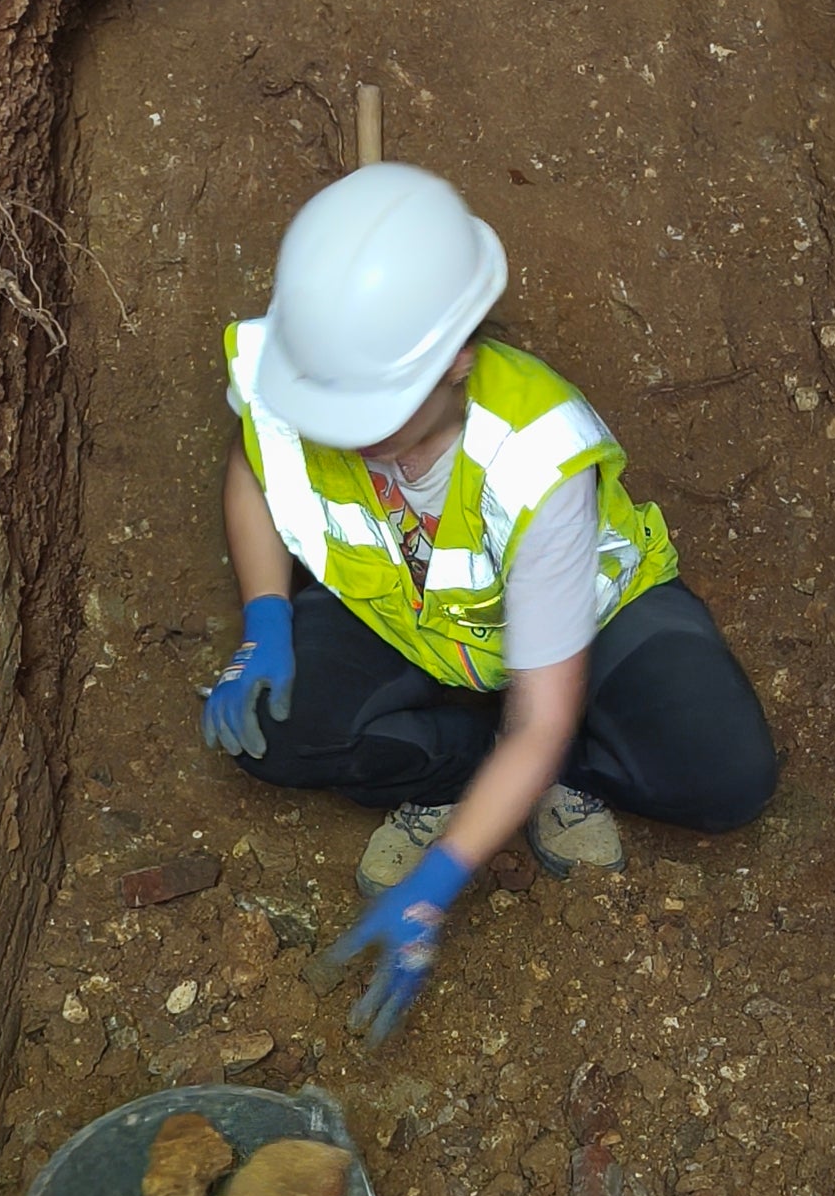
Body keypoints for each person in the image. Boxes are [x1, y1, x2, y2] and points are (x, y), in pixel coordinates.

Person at [201, 160, 778, 1039]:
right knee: (272, 728)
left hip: (590, 625)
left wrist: (441, 876)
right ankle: (470, 769)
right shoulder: (308, 373)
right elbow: (256, 464)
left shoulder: (533, 459)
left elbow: (542, 716)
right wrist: (267, 617)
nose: (345, 443)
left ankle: (543, 780)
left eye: (374, 419)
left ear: (459, 358)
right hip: (414, 620)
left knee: (723, 771)